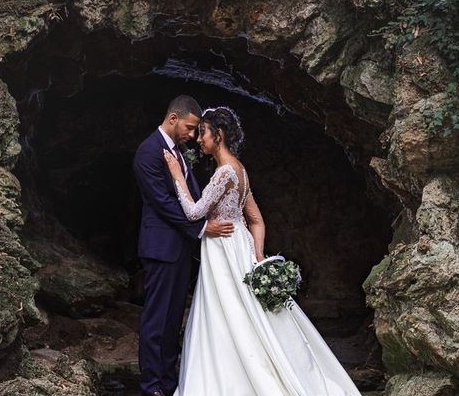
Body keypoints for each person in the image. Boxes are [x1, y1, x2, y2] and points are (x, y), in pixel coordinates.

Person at [163, 106, 363, 396]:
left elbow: (194, 212)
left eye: (203, 133)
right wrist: (257, 256)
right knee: (243, 312)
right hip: (239, 246)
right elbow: (256, 219)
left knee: (228, 311)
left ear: (218, 135)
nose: (198, 139)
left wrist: (177, 176)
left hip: (224, 250)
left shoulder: (224, 172)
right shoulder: (240, 170)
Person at [133, 95, 235, 396]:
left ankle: (168, 380)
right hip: (161, 248)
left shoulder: (177, 152)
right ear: (174, 118)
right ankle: (151, 385)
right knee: (156, 320)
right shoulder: (149, 151)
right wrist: (203, 228)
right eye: (190, 128)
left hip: (178, 248)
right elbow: (162, 202)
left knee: (173, 317)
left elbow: (189, 195)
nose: (192, 135)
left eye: (196, 130)